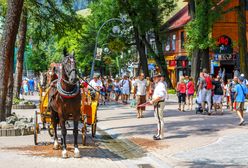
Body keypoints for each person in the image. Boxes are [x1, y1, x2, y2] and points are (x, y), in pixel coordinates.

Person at [149, 73, 166, 140]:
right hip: (157, 103)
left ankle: (160, 135)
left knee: (159, 120)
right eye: (153, 78)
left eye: (155, 78)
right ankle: (159, 134)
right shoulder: (158, 85)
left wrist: (153, 101)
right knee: (158, 119)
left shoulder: (161, 85)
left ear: (159, 78)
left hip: (159, 103)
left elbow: (161, 96)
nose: (154, 79)